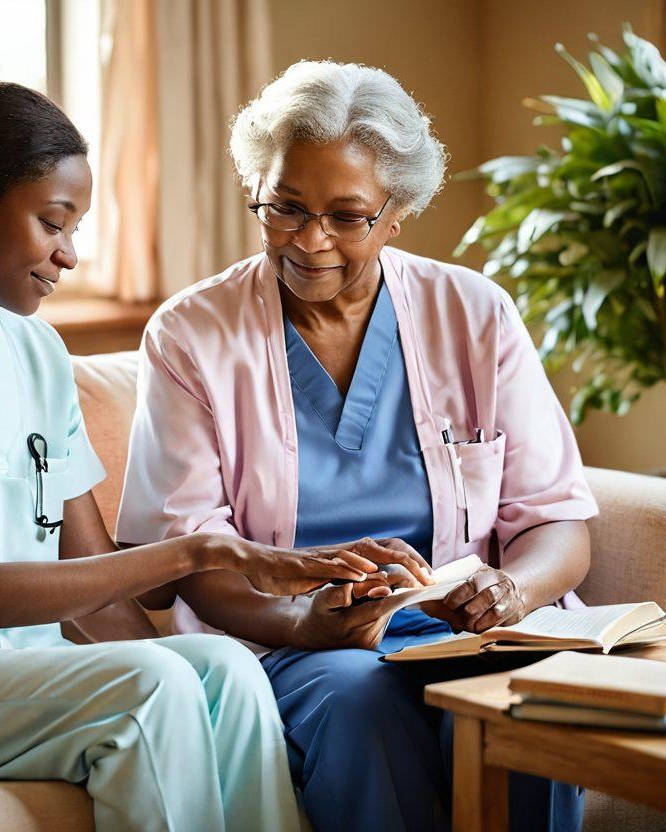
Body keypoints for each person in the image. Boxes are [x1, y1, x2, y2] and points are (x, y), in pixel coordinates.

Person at [0, 81, 419, 832]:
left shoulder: (35, 351)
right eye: (53, 223)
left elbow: (97, 597)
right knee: (147, 692)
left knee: (225, 672)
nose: (69, 255)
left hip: (2, 669)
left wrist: (178, 652)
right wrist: (199, 552)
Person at [117, 61, 599, 832]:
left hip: (463, 632)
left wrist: (514, 593)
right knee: (360, 704)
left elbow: (555, 520)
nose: (310, 241)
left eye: (347, 216)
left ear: (397, 211)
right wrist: (305, 623)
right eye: (286, 208)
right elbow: (190, 557)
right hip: (293, 642)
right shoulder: (192, 333)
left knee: (522, 703)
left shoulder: (474, 313)